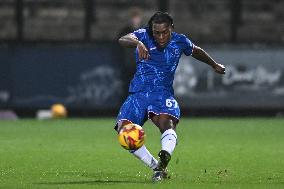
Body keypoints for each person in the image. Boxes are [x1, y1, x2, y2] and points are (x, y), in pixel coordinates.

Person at [114, 11, 225, 182]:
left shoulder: (180, 40)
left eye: (164, 32)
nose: (160, 36)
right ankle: (157, 167)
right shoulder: (143, 35)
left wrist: (214, 64)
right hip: (138, 93)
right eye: (156, 32)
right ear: (151, 29)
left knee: (166, 122)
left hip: (161, 93)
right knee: (124, 132)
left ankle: (165, 154)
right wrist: (138, 44)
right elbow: (122, 40)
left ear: (171, 28)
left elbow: (196, 51)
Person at [117, 7, 144, 100]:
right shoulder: (124, 32)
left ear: (140, 18)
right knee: (127, 89)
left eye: (136, 17)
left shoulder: (144, 32)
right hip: (128, 66)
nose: (135, 20)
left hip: (141, 66)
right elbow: (119, 47)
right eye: (133, 17)